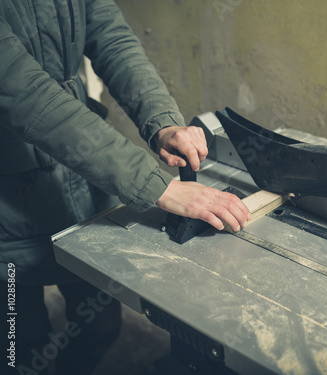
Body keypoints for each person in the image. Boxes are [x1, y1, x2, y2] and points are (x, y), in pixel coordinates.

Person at [0, 1, 250, 374]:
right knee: (19, 344)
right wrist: (154, 186)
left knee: (100, 326)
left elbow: (112, 39)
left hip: (80, 186)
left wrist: (163, 123)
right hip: (8, 209)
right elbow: (23, 92)